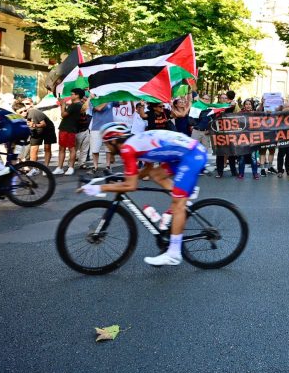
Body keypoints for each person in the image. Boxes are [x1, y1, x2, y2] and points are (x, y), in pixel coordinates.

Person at [82, 123, 207, 267]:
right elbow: (148, 170)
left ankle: (174, 254)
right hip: (188, 152)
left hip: (191, 156)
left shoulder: (127, 149)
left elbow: (131, 185)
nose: (107, 148)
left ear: (114, 141)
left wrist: (99, 188)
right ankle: (183, 198)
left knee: (177, 205)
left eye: (107, 144)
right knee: (156, 174)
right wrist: (125, 177)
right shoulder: (136, 142)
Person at [53, 88, 87, 175]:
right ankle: (60, 167)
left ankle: (69, 167)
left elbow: (63, 115)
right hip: (67, 128)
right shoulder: (78, 104)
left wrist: (63, 104)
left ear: (77, 95)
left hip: (68, 129)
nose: (71, 96)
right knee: (63, 148)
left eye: (72, 94)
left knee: (70, 149)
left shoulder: (75, 105)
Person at [88, 100, 117, 173]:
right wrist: (107, 99)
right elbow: (98, 108)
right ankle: (95, 167)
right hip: (96, 128)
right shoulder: (93, 101)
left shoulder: (112, 100)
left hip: (108, 128)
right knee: (95, 150)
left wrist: (123, 95)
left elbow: (123, 102)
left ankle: (108, 166)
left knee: (108, 149)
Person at [26, 100, 56, 167]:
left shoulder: (34, 111)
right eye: (25, 104)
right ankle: (34, 168)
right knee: (33, 149)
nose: (26, 105)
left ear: (31, 104)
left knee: (47, 148)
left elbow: (43, 124)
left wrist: (34, 125)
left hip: (48, 129)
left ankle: (45, 167)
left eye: (28, 103)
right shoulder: (23, 113)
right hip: (36, 131)